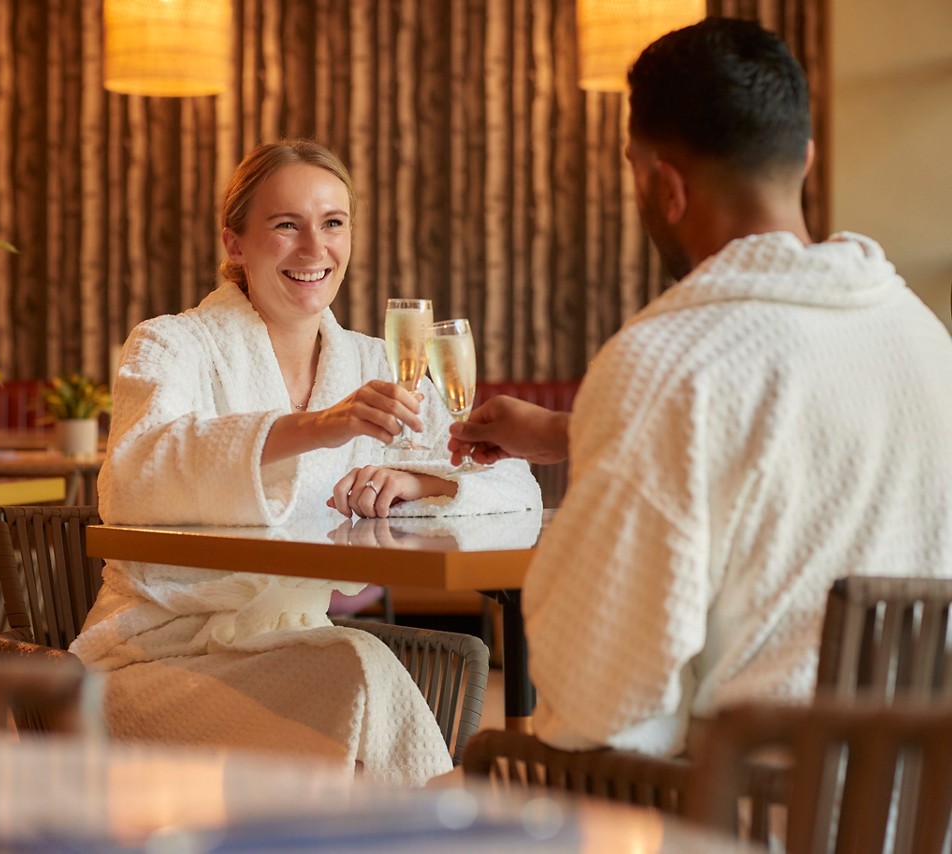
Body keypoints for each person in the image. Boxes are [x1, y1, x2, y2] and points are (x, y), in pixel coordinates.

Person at [449, 18, 952, 756]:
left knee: (465, 766)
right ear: (805, 158)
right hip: (919, 799)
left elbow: (597, 704)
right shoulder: (924, 339)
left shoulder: (668, 362)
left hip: (743, 802)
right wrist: (577, 430)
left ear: (667, 185)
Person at [70, 139, 541, 785]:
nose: (315, 249)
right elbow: (135, 475)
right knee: (359, 674)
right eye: (286, 225)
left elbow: (511, 479)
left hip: (295, 642)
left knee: (355, 673)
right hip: (154, 654)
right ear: (235, 243)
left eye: (333, 223)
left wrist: (419, 479)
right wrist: (317, 426)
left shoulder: (377, 362)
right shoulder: (170, 344)